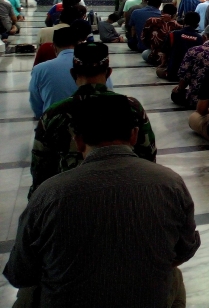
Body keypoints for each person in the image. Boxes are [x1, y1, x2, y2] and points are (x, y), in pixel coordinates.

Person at [5, 93, 198, 308]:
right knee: (174, 277)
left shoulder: (48, 194)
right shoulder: (170, 183)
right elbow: (185, 249)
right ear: (134, 135)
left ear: (78, 141)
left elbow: (19, 274)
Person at [29, 41, 154, 196]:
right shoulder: (131, 107)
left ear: (73, 74)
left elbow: (40, 169)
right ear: (108, 73)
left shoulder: (55, 113)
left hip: (71, 197)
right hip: (128, 193)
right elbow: (148, 155)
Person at [29, 28, 112, 119]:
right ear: (78, 43)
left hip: (55, 123)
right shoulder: (97, 67)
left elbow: (37, 105)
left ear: (54, 46)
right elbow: (108, 91)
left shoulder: (40, 69)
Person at [174, 24, 209, 107]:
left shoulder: (193, 51)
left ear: (204, 37)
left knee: (175, 95)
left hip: (195, 99)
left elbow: (184, 75)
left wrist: (179, 89)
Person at [158, 12, 204, 81]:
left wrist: (162, 64)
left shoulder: (173, 34)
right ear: (197, 24)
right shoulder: (200, 38)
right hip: (190, 76)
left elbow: (164, 52)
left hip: (173, 74)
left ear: (184, 21)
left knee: (158, 71)